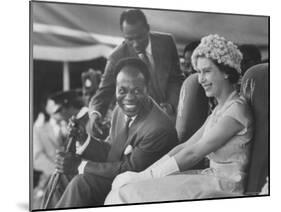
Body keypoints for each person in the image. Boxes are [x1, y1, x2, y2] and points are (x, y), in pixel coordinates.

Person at [105, 34, 254, 204]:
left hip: (224, 188)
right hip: (210, 180)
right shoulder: (220, 110)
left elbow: (194, 153)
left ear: (226, 71)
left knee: (126, 195)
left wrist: (146, 177)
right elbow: (185, 146)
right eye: (199, 72)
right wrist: (144, 175)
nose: (200, 79)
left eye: (206, 71)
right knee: (126, 189)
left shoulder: (236, 109)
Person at [48, 58, 178, 208]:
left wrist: (79, 166)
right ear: (115, 89)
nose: (129, 98)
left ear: (147, 89)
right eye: (122, 90)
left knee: (82, 183)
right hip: (121, 175)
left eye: (137, 91)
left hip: (140, 183)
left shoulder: (158, 128)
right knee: (60, 175)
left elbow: (130, 170)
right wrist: (84, 139)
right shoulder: (119, 110)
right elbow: (113, 151)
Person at [89, 9, 183, 133]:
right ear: (123, 35)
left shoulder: (167, 42)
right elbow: (103, 93)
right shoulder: (116, 57)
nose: (136, 44)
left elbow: (176, 78)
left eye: (140, 37)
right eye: (129, 39)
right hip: (141, 123)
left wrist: (171, 105)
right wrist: (95, 115)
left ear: (147, 28)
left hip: (173, 115)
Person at [33, 90, 84, 209]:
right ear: (46, 107)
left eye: (59, 106)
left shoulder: (73, 122)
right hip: (50, 178)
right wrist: (58, 171)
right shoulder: (39, 129)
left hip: (75, 176)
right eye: (51, 104)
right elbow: (37, 158)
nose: (55, 108)